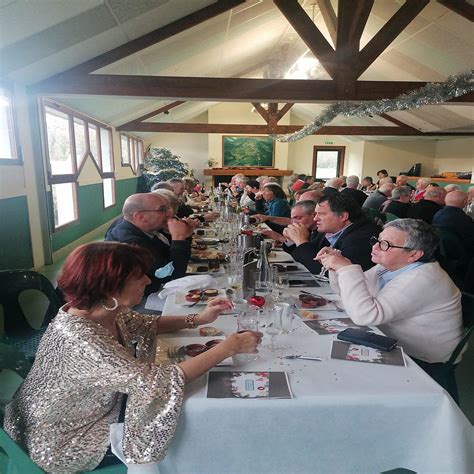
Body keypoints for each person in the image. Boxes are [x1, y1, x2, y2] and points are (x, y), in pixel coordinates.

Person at [4, 242, 261, 472]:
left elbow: (146, 324)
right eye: (139, 276)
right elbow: (155, 382)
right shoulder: (82, 340)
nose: (148, 281)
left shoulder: (98, 310)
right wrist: (227, 348)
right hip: (64, 441)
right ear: (109, 288)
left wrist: (200, 318)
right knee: (186, 429)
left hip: (77, 414)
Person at [317, 219, 464, 397]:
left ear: (414, 255)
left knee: (336, 379)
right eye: (377, 240)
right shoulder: (390, 266)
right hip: (389, 339)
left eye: (385, 244)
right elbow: (350, 294)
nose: (376, 247)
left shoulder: (424, 278)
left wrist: (347, 269)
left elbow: (366, 315)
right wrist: (337, 268)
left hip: (423, 358)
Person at [105, 193, 195, 294]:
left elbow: (169, 257)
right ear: (141, 217)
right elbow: (172, 275)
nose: (169, 214)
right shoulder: (130, 242)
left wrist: (184, 236)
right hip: (138, 302)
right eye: (162, 210)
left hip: (157, 288)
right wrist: (178, 238)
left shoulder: (146, 229)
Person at [282, 194, 380, 274]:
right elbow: (309, 255)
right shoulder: (331, 230)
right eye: (316, 214)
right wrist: (293, 239)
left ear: (342, 216)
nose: (315, 218)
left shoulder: (360, 238)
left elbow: (326, 274)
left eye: (321, 214)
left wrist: (301, 241)